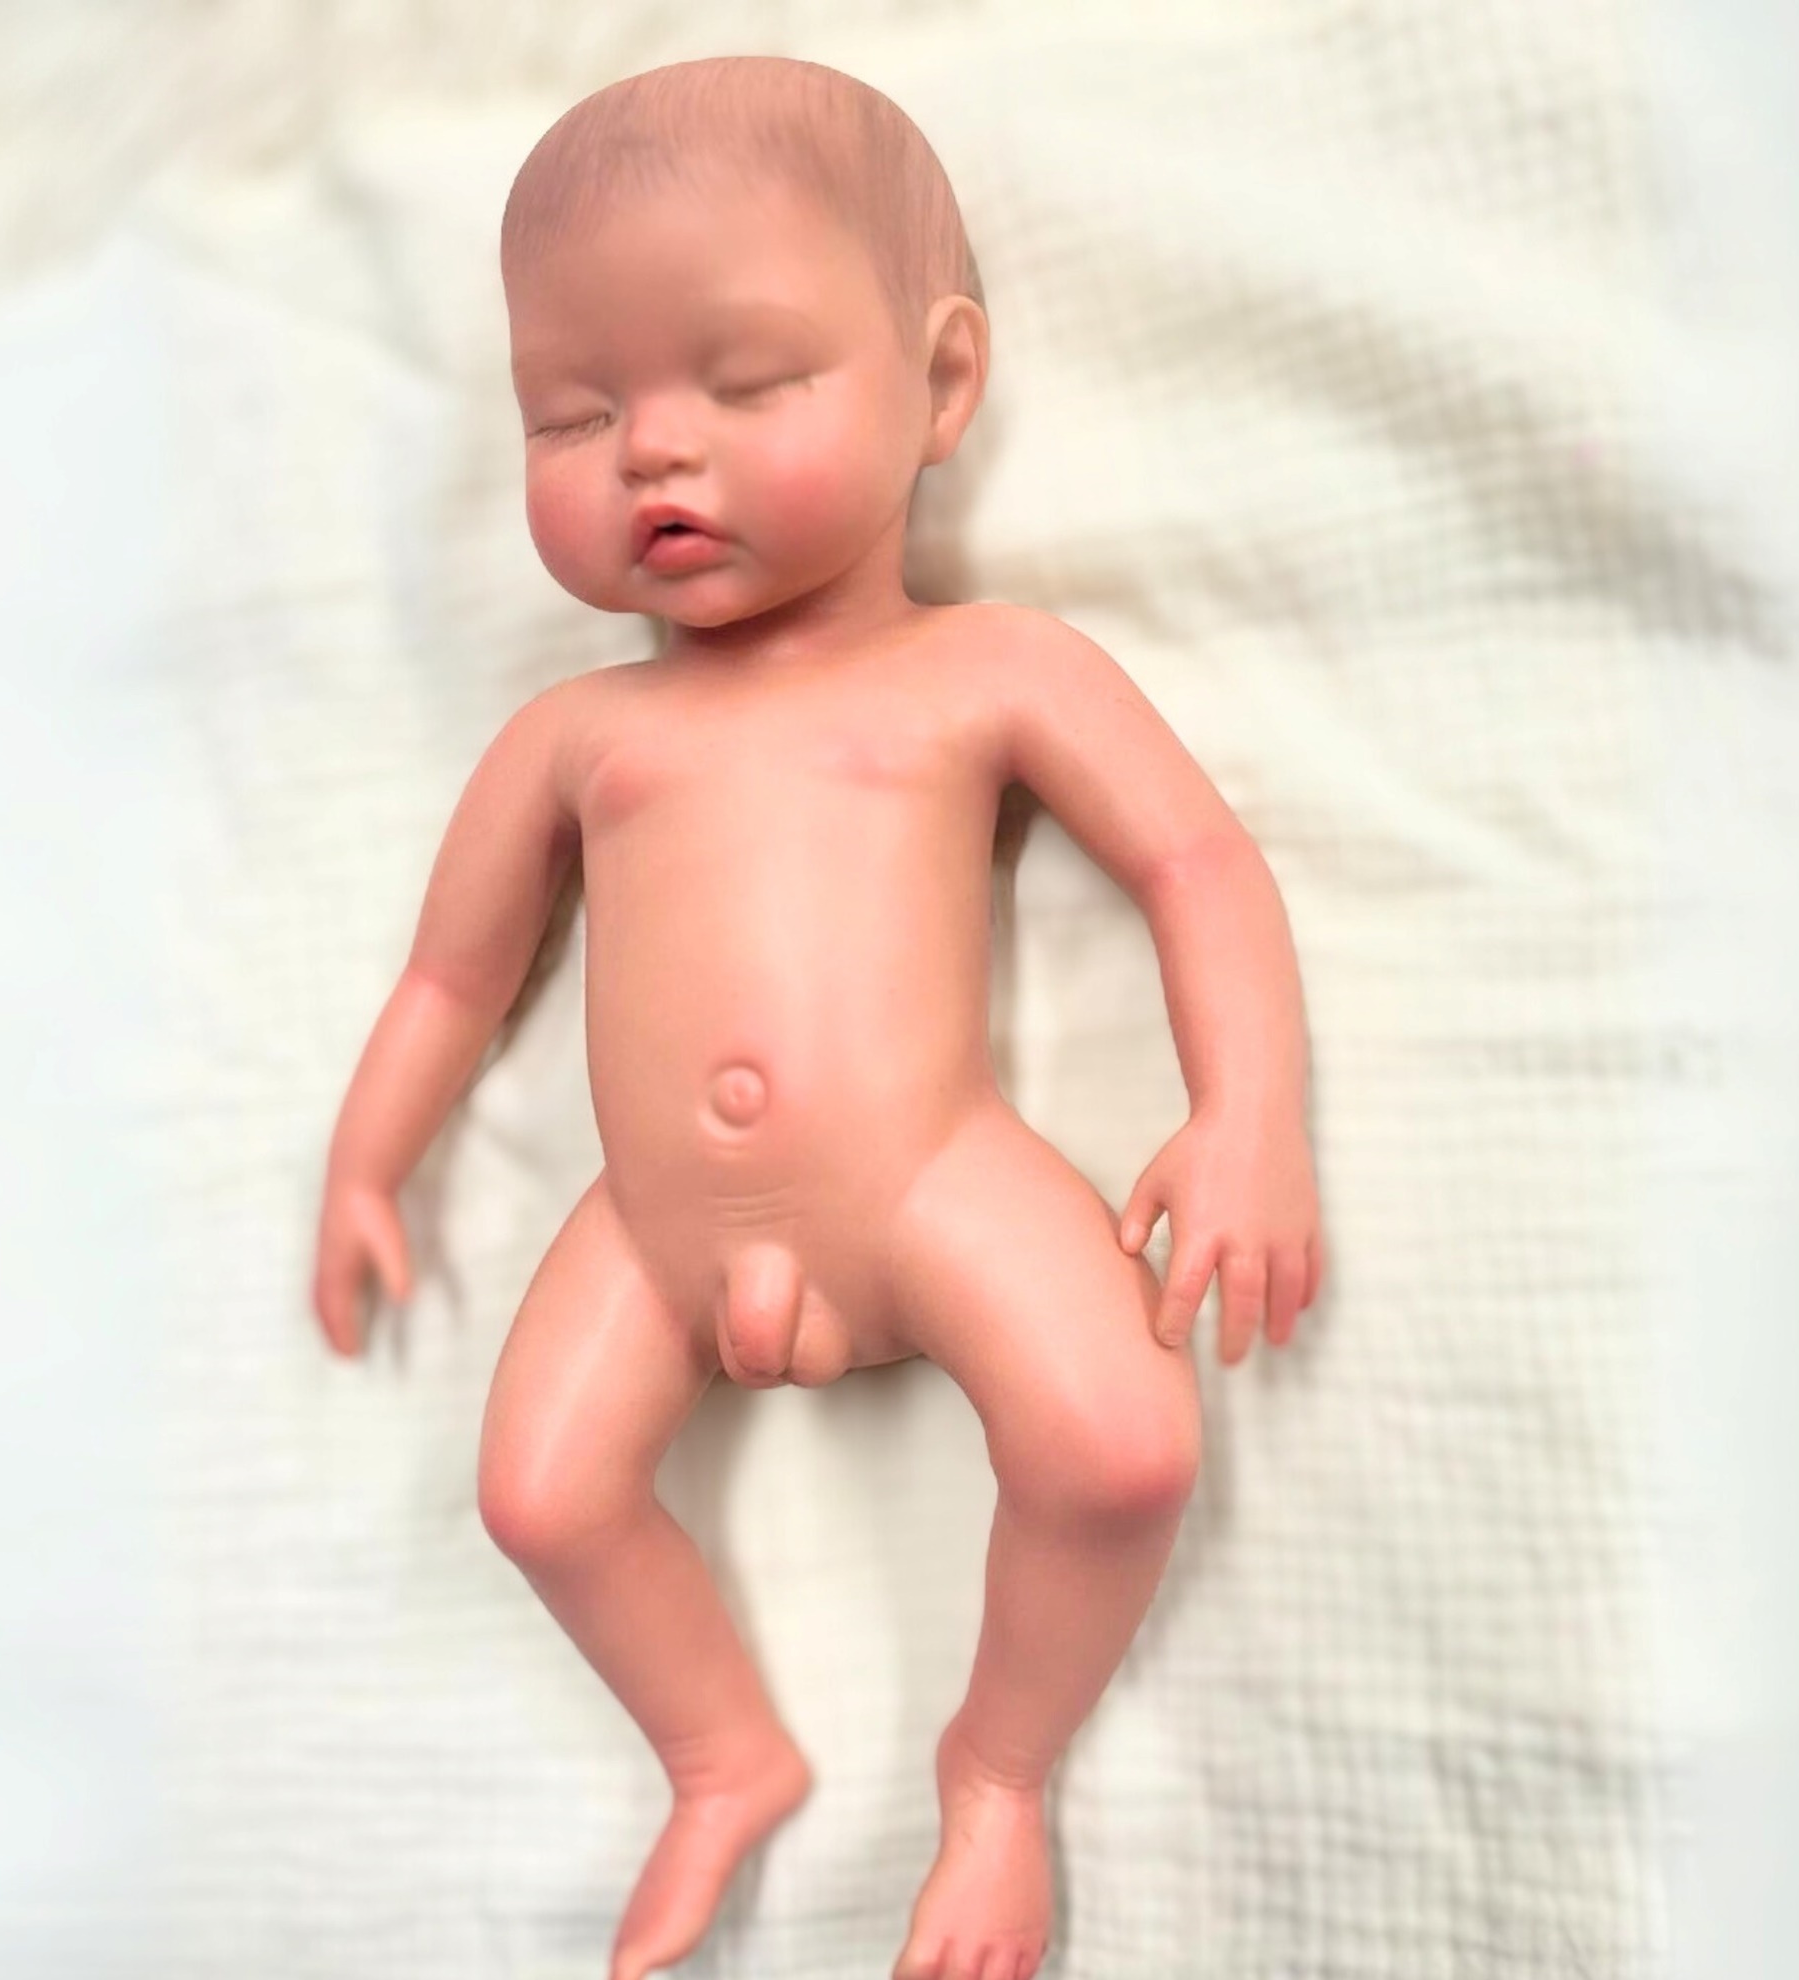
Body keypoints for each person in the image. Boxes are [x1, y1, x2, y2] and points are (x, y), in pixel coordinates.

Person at [312, 54, 1324, 1980]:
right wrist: (368, 1162)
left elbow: (1196, 862)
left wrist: (1248, 1109)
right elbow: (452, 977)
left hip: (928, 1181)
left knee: (1121, 1447)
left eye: (749, 382)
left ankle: (996, 1781)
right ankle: (721, 1756)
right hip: (655, 1231)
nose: (651, 453)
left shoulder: (986, 670)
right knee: (536, 1494)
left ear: (941, 386)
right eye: (573, 412)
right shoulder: (577, 737)